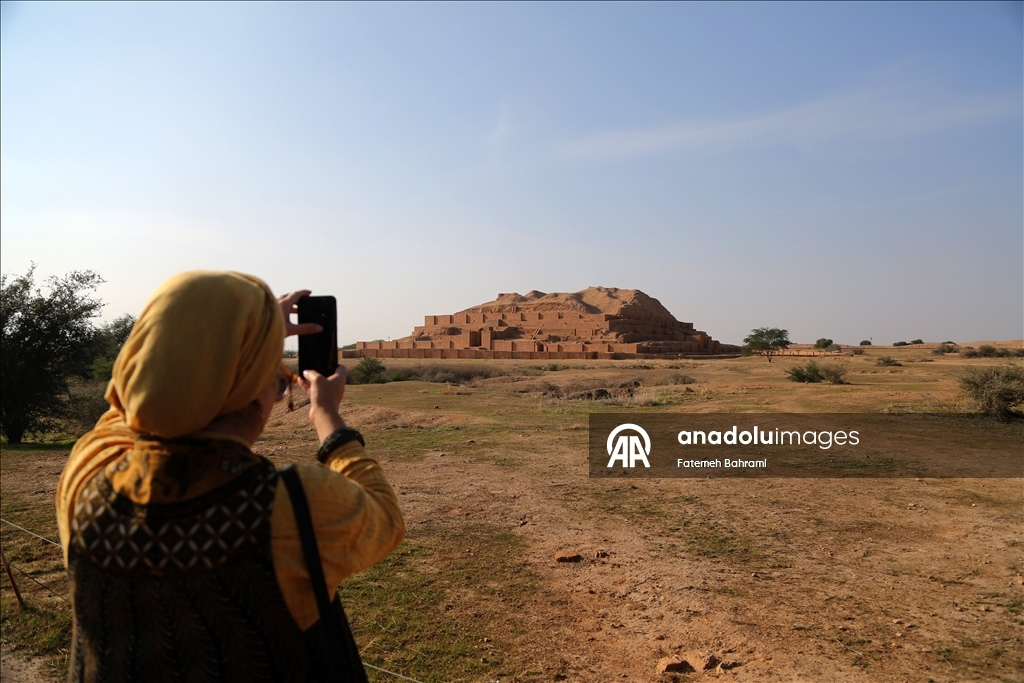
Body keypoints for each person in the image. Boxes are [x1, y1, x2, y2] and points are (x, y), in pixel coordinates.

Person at [55, 270, 405, 682]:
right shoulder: (293, 506)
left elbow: (132, 400)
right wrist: (327, 416)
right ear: (254, 389)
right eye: (276, 380)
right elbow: (384, 517)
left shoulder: (86, 475)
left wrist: (225, 338)